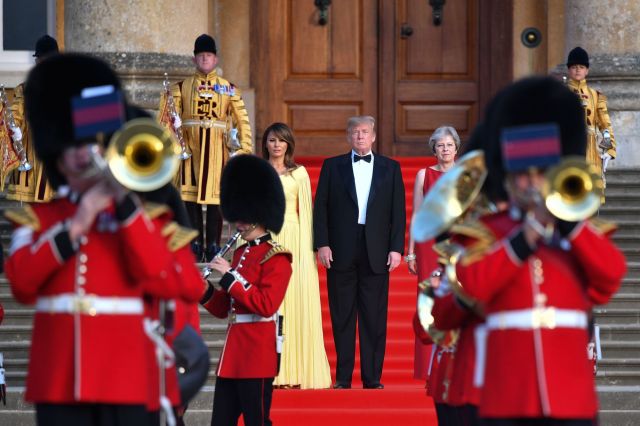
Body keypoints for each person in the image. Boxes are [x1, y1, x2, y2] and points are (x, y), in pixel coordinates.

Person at [4, 54, 192, 426]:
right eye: (73, 144)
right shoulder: (40, 218)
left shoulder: (146, 218)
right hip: (59, 382)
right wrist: (77, 224)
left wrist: (124, 205)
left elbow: (169, 279)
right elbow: (23, 284)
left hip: (127, 379)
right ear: (57, 156)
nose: (82, 152)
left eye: (90, 143)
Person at [451, 76, 626, 425]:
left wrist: (569, 225)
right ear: (508, 179)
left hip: (571, 396)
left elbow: (610, 277)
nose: (533, 183)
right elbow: (472, 285)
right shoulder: (485, 234)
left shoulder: (577, 236)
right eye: (523, 175)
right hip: (507, 396)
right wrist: (524, 237)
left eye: (542, 173)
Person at [313, 115, 406, 390]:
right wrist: (322, 243)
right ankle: (342, 378)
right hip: (340, 247)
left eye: (365, 132)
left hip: (377, 249)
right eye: (355, 133)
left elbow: (398, 213)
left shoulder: (391, 168)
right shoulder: (332, 166)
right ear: (348, 136)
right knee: (342, 315)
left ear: (374, 136)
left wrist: (396, 248)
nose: (360, 137)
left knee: (374, 316)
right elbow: (321, 208)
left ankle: (372, 378)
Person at [200, 154, 292, 426]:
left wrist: (229, 277)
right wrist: (203, 289)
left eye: (242, 218)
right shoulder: (240, 253)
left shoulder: (277, 258)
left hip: (257, 354)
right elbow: (222, 309)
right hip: (233, 355)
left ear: (258, 215)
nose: (237, 224)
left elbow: (265, 305)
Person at [159, 33, 253, 262]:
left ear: (216, 59)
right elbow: (165, 120)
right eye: (201, 56)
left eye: (208, 56)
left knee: (215, 200)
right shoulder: (180, 87)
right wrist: (172, 145)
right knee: (188, 199)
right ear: (194, 59)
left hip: (217, 151)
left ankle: (212, 245)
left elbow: (242, 119)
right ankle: (193, 243)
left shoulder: (228, 88)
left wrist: (244, 149)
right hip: (189, 151)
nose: (204, 60)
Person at [261, 122, 332, 389]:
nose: (276, 145)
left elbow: (308, 214)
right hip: (267, 237)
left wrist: (307, 253)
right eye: (271, 140)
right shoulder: (258, 171)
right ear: (265, 144)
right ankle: (272, 372)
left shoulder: (299, 173)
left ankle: (295, 372)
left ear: (289, 144)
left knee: (294, 302)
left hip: (294, 237)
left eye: (281, 140)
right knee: (272, 303)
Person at [406, 125, 460, 382]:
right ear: (434, 150)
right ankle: (428, 366)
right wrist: (410, 252)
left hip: (457, 240)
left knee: (459, 295)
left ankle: (457, 360)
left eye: (449, 145)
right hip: (428, 244)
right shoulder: (423, 175)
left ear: (456, 148)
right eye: (440, 145)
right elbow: (416, 214)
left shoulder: (465, 174)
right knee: (428, 299)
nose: (445, 149)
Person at [3, 35, 58, 203]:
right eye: (40, 60)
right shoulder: (24, 89)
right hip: (31, 160)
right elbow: (14, 114)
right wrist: (15, 129)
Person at [565, 46, 616, 195]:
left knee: (591, 193)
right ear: (569, 70)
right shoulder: (561, 93)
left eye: (581, 67)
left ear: (587, 70)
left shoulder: (596, 96)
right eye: (574, 67)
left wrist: (609, 149)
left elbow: (605, 125)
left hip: (591, 150)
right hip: (569, 148)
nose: (577, 70)